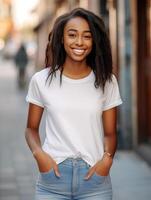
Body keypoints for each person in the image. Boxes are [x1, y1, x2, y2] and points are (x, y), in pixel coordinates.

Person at [25, 8, 122, 200]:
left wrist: (107, 161)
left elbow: (111, 133)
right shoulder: (41, 80)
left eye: (87, 36)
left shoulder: (106, 81)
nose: (79, 42)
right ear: (61, 39)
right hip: (52, 180)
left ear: (94, 42)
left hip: (95, 180)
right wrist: (39, 155)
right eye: (72, 35)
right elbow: (31, 129)